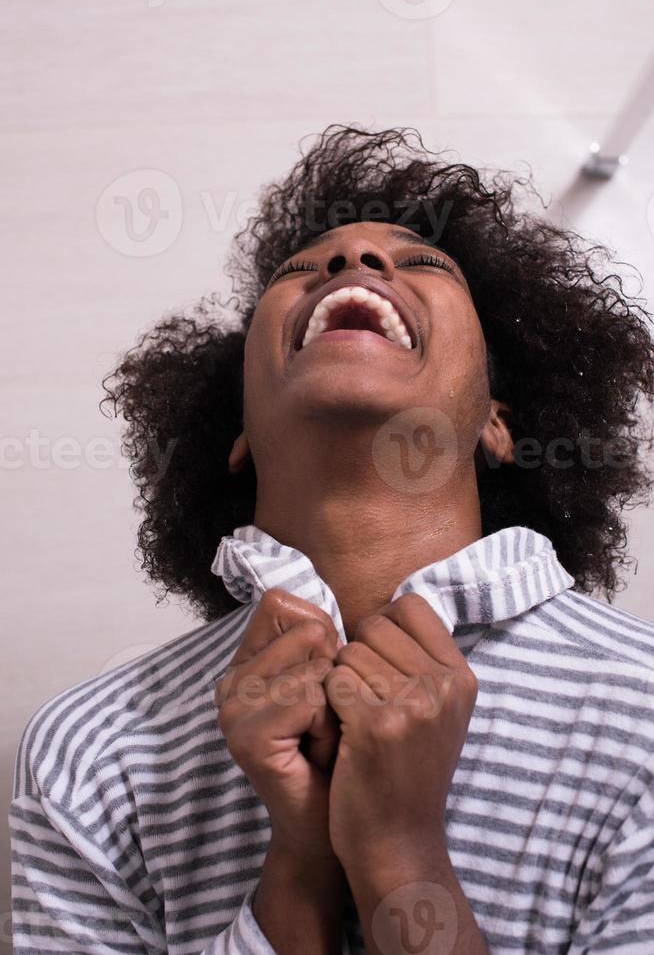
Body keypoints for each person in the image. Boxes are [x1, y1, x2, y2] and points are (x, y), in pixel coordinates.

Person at [10, 125, 654, 954]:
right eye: (302, 269)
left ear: (498, 420)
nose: (355, 261)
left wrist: (399, 850)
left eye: (422, 262)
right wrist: (298, 871)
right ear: (236, 426)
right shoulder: (90, 747)